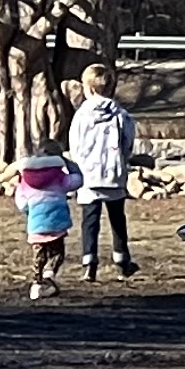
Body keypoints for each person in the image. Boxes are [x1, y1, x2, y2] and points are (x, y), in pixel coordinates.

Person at [67, 64, 142, 281]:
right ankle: (122, 259)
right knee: (117, 218)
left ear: (87, 88)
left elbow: (75, 145)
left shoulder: (81, 115)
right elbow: (127, 143)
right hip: (113, 174)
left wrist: (79, 166)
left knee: (90, 220)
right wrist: (122, 161)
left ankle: (89, 262)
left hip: (89, 176)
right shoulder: (121, 115)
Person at [11, 147, 80, 300]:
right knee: (57, 253)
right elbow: (77, 180)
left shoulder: (26, 179)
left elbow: (22, 203)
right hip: (57, 222)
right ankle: (49, 275)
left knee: (38, 256)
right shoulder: (59, 177)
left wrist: (31, 211)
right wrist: (68, 163)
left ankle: (36, 284)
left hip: (36, 224)